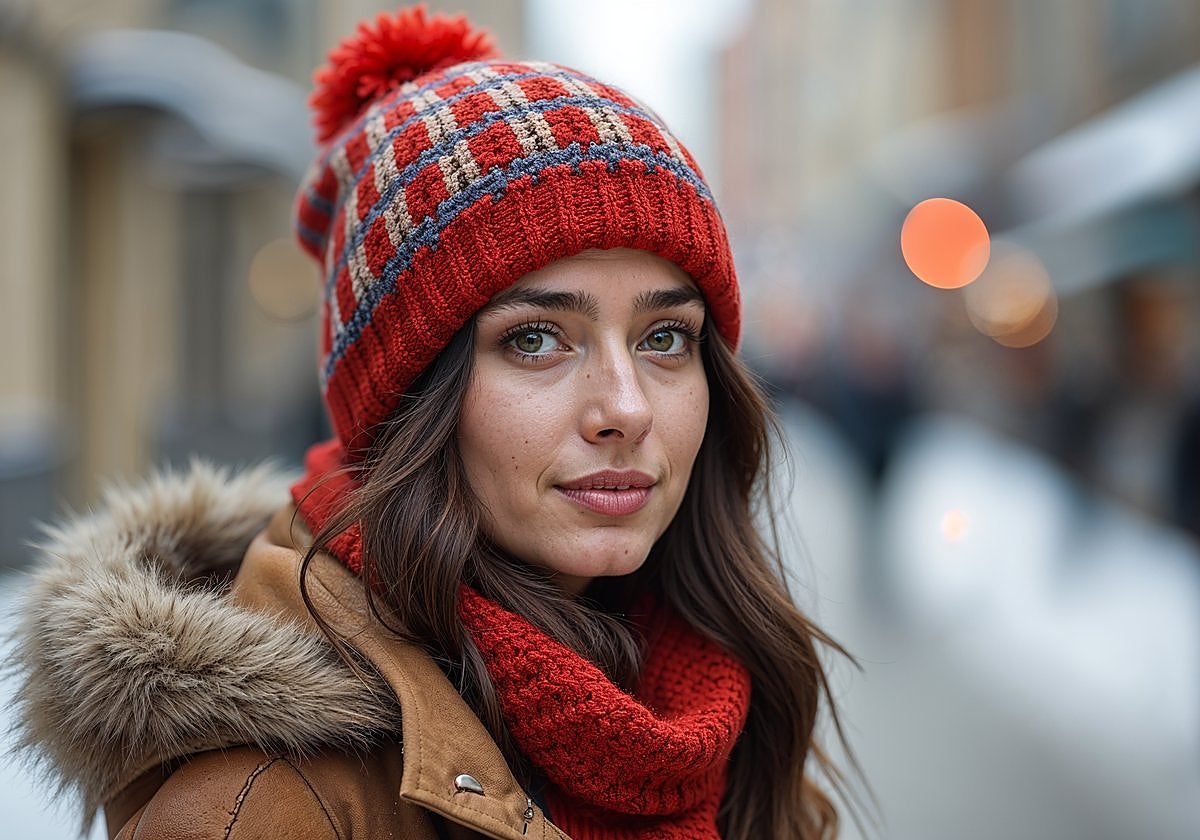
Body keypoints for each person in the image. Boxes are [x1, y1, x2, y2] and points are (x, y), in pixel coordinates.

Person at [12, 6, 857, 839]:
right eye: (535, 339)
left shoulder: (722, 705)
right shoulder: (267, 804)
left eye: (664, 337)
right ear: (407, 400)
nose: (626, 408)